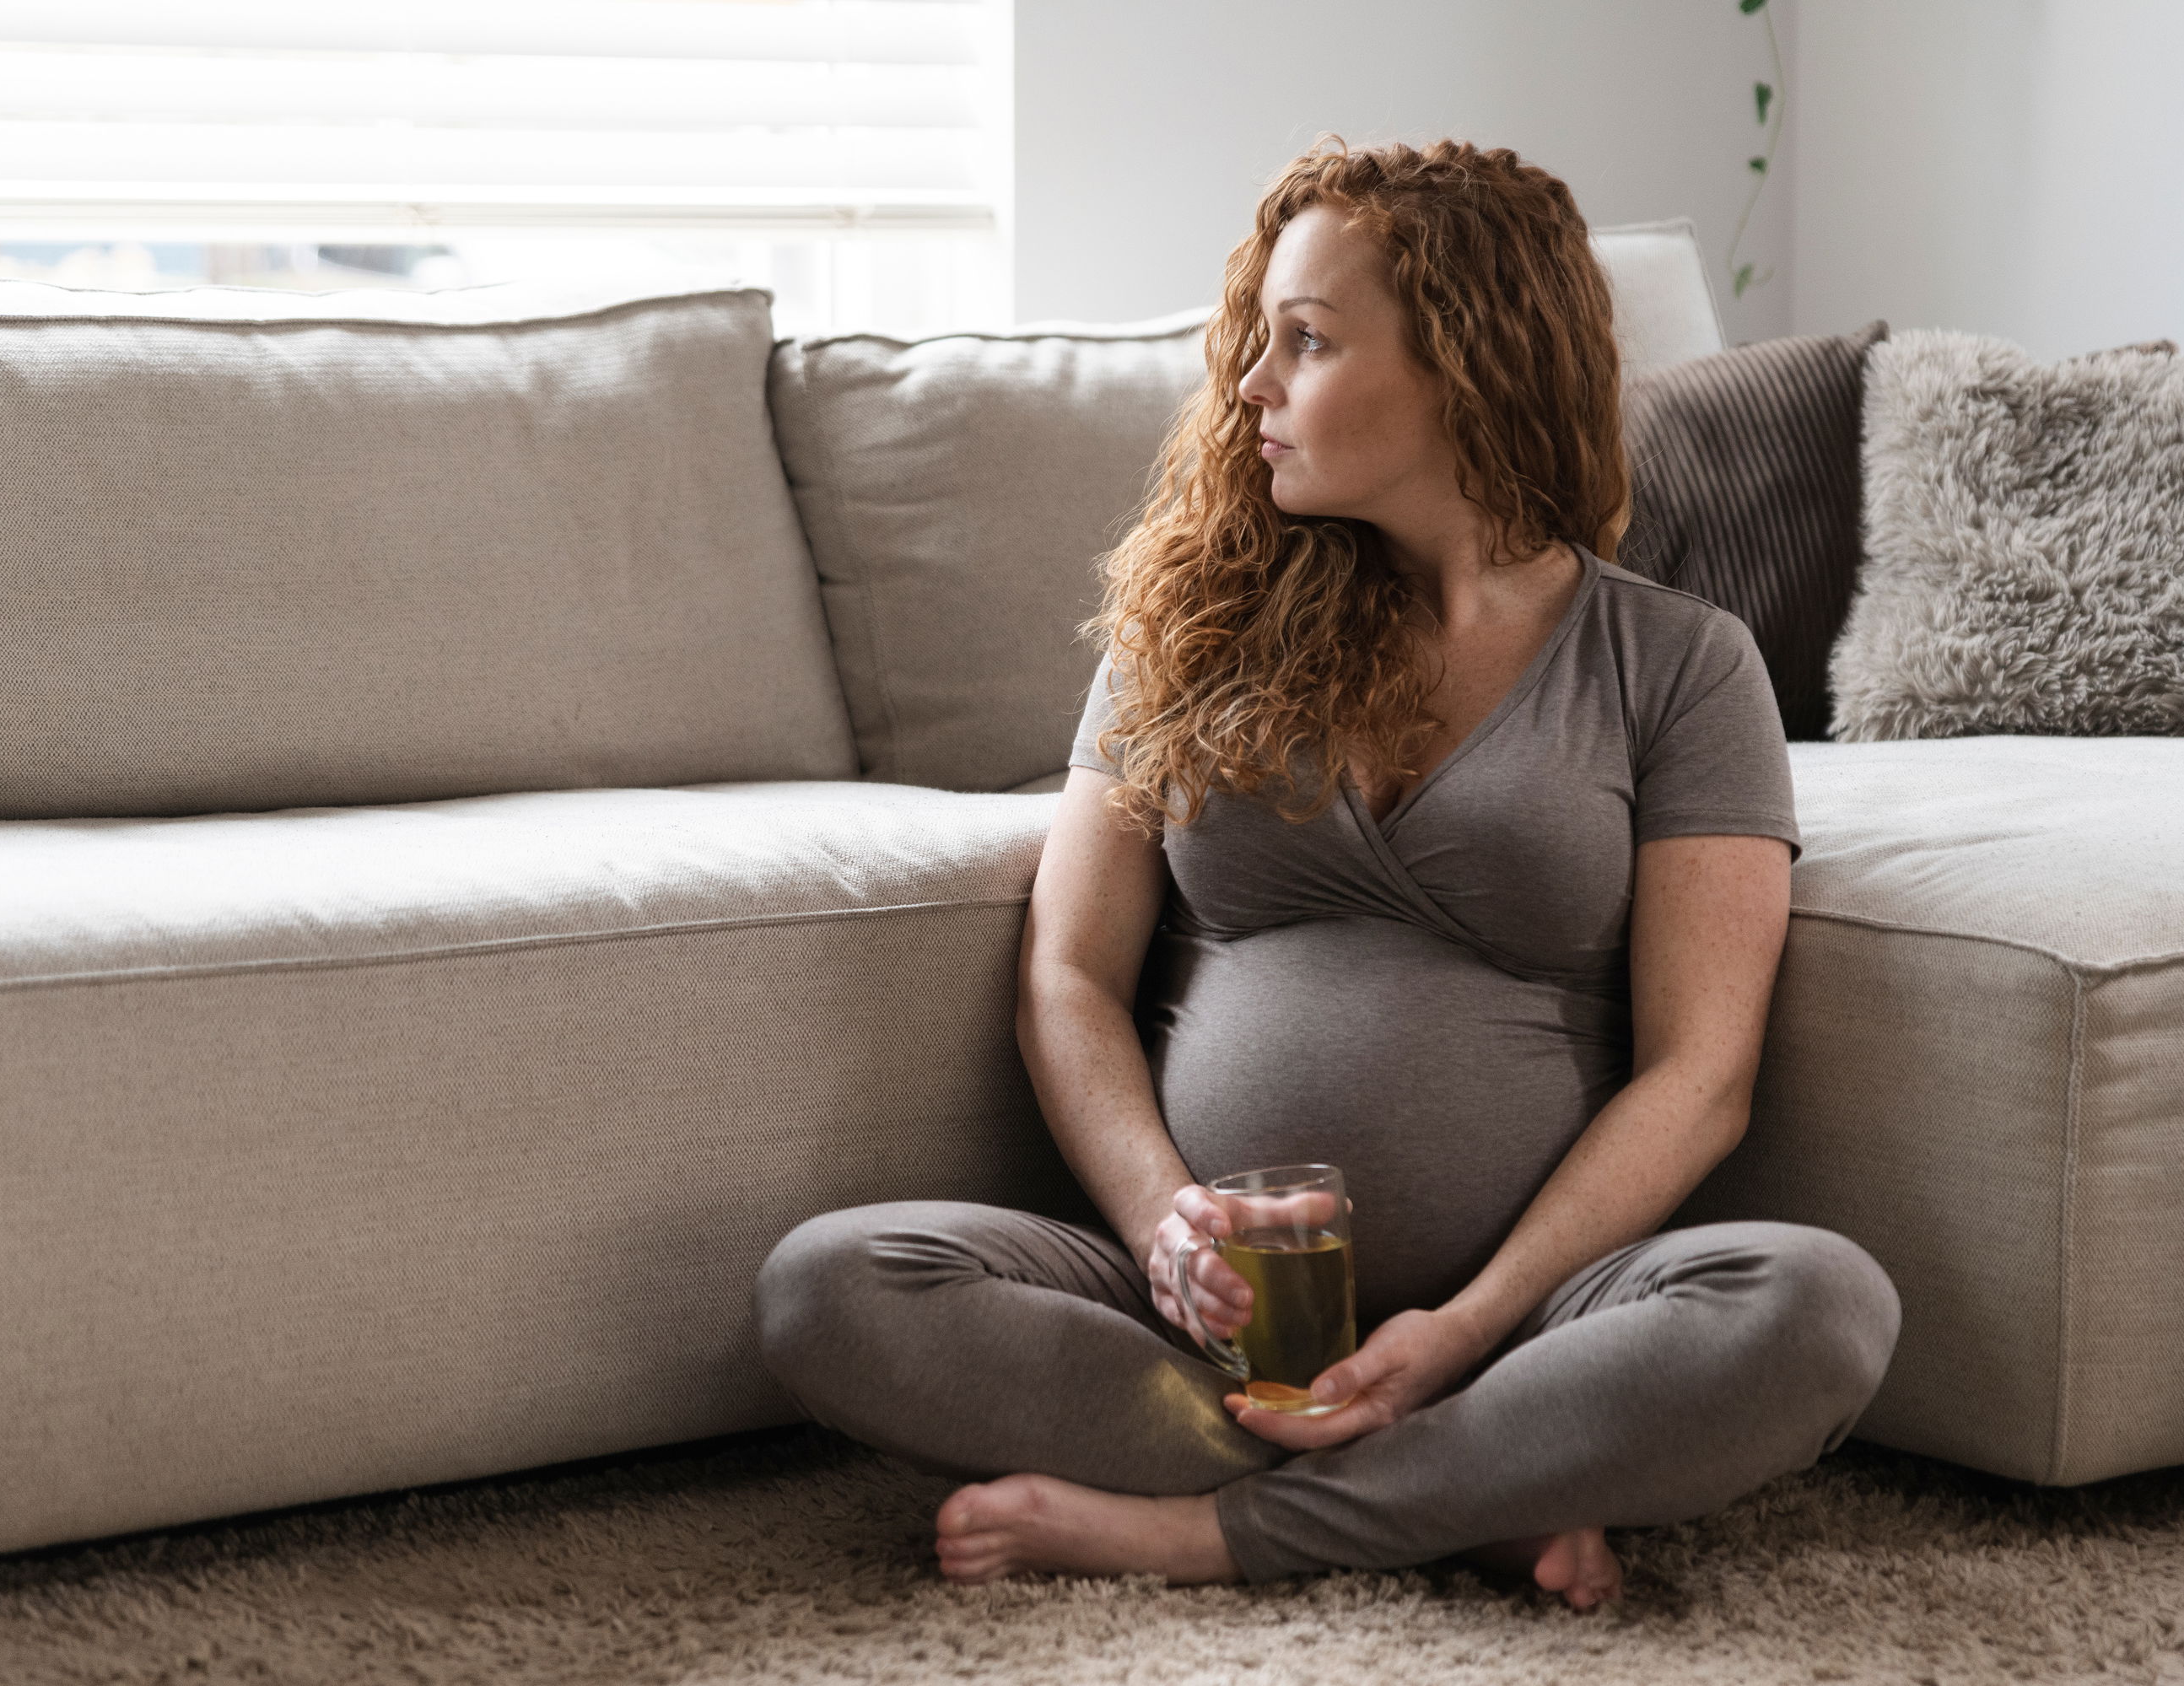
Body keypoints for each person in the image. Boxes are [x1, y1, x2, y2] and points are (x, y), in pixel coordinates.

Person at [752, 138, 1901, 1612]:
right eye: (1260, 340)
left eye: (1306, 342)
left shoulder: (1677, 663)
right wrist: (1166, 1228)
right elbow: (1068, 978)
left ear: (1467, 362)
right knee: (835, 1285)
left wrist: (1473, 1326)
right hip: (1195, 1339)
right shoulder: (1187, 635)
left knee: (1814, 1307)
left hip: (1538, 1321)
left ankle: (1211, 1529)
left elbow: (1700, 1074)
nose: (1249, 385)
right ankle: (1468, 1492)